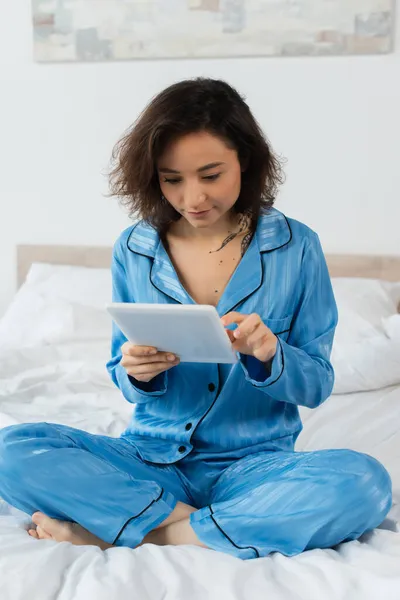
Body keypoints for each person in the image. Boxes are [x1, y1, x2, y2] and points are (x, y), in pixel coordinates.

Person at [0, 78, 392, 559]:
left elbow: (316, 385)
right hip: (148, 458)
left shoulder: (297, 246)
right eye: (172, 179)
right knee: (11, 449)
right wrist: (137, 372)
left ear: (245, 161)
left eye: (211, 175)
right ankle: (195, 526)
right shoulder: (135, 249)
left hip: (256, 468)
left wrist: (271, 355)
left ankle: (138, 530)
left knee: (364, 482)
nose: (192, 198)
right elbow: (119, 373)